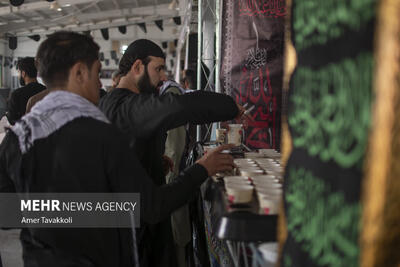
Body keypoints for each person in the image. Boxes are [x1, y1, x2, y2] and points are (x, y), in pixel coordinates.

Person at [0, 31, 234, 267]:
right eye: (97, 72)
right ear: (80, 72)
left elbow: (6, 212)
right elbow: (151, 207)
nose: (98, 82)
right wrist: (202, 169)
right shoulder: (103, 135)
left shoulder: (17, 139)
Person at [99, 39, 247, 267]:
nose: (163, 77)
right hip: (137, 234)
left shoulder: (111, 104)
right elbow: (178, 107)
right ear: (137, 67)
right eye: (157, 69)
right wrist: (229, 107)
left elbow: (125, 150)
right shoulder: (127, 107)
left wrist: (153, 160)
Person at [6, 57, 46, 124]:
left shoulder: (17, 94)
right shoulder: (46, 91)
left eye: (18, 72)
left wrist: (7, 114)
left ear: (23, 73)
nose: (18, 75)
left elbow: (12, 121)